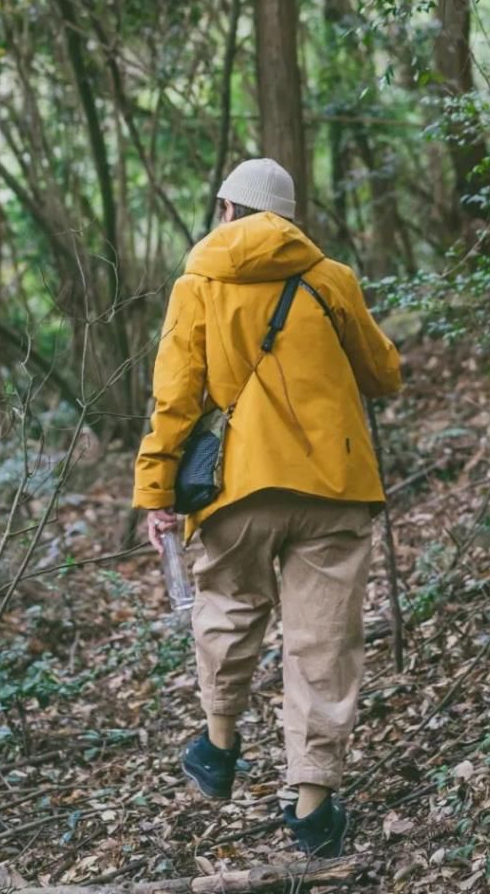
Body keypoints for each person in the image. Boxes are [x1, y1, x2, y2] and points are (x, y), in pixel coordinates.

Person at [133, 157, 402, 858]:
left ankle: (218, 745)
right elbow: (384, 374)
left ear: (226, 209)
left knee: (229, 607)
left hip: (236, 488)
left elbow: (175, 400)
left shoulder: (197, 284)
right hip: (333, 487)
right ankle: (311, 806)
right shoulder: (330, 278)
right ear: (286, 218)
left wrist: (156, 492)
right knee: (324, 639)